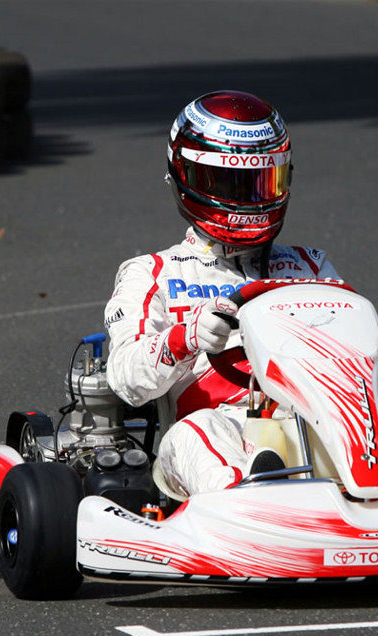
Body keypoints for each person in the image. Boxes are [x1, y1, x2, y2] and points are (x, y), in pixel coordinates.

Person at [104, 90, 344, 497]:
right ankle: (252, 501)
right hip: (218, 425)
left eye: (261, 183)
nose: (248, 199)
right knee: (194, 433)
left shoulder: (311, 266)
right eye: (231, 183)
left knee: (362, 422)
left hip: (316, 418)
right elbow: (125, 379)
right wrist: (185, 338)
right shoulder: (153, 272)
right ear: (189, 177)